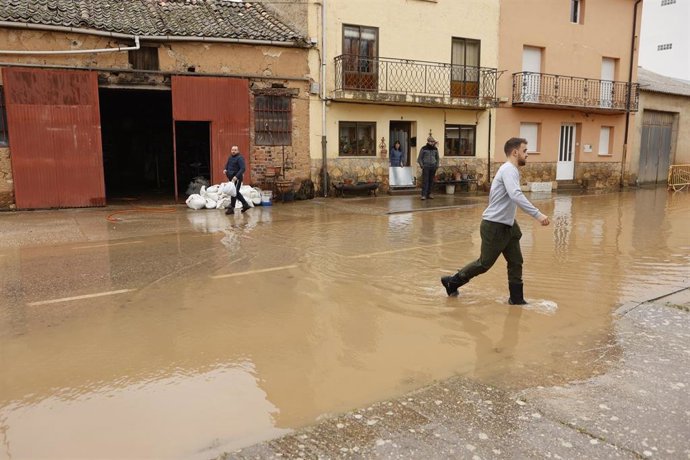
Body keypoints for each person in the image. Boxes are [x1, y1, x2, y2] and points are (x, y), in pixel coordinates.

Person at [440, 137, 550, 304]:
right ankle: (452, 281)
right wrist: (538, 214)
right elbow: (515, 195)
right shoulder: (508, 170)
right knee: (484, 264)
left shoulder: (511, 170)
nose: (527, 155)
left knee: (516, 262)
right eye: (525, 151)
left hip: (509, 225)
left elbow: (511, 197)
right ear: (515, 152)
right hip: (494, 225)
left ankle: (517, 300)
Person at [223, 145, 251, 214]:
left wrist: (236, 177)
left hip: (237, 178)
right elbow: (227, 165)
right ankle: (245, 205)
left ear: (238, 151)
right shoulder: (230, 157)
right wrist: (225, 169)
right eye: (232, 150)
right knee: (235, 192)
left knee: (234, 192)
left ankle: (232, 208)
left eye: (235, 150)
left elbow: (243, 168)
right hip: (231, 178)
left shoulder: (240, 158)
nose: (233, 151)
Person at [417, 135, 439, 200]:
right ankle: (423, 195)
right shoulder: (423, 148)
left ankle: (429, 194)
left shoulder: (435, 149)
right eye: (431, 142)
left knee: (431, 181)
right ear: (428, 142)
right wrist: (422, 165)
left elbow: (437, 158)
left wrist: (437, 165)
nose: (432, 143)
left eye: (433, 142)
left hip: (433, 166)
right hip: (426, 166)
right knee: (425, 181)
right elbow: (419, 158)